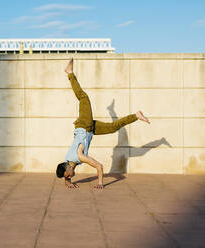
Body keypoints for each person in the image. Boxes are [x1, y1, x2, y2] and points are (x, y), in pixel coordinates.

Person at [56, 58, 150, 189]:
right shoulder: (69, 161)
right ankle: (136, 115)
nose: (70, 177)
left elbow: (99, 166)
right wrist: (68, 182)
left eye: (68, 176)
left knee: (83, 98)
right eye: (68, 177)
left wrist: (100, 183)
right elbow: (67, 170)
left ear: (68, 170)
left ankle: (70, 73)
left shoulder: (79, 157)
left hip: (84, 124)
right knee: (113, 128)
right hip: (90, 129)